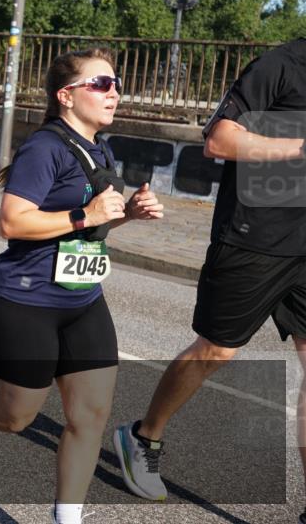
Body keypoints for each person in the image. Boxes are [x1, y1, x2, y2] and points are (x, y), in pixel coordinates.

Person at [0, 48, 164, 524]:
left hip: (83, 299)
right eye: (101, 84)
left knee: (90, 417)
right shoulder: (44, 149)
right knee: (14, 417)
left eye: (117, 83)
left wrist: (127, 217)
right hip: (25, 299)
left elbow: (87, 229)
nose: (114, 93)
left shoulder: (99, 147)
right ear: (67, 96)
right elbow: (12, 222)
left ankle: (66, 518)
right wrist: (88, 213)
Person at [113, 38, 306, 512]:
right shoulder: (281, 65)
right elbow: (219, 139)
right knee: (216, 349)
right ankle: (144, 436)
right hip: (253, 238)